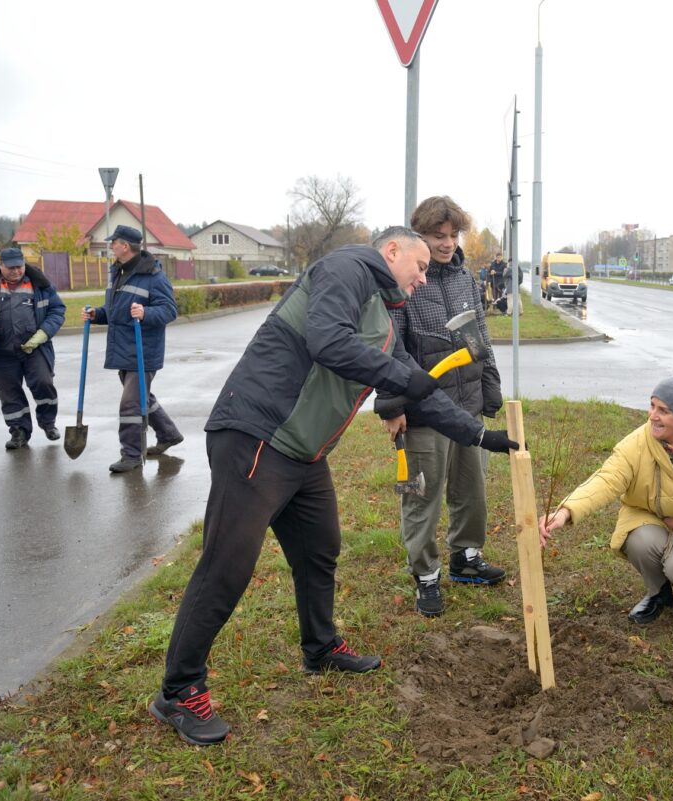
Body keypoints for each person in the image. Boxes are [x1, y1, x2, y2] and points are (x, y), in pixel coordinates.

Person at [150, 227, 518, 746]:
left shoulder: (387, 318)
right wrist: (406, 379)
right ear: (393, 251)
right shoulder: (345, 269)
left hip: (303, 453)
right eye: (418, 266)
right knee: (227, 565)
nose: (423, 277)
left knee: (321, 548)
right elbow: (327, 342)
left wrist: (482, 435)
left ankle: (319, 648)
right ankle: (179, 691)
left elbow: (421, 392)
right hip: (257, 435)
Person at [377, 197, 505, 617]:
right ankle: (425, 576)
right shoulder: (405, 279)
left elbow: (480, 337)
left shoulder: (466, 280)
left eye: (453, 235)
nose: (448, 244)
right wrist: (393, 403)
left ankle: (466, 558)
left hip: (466, 408)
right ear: (420, 237)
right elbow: (389, 346)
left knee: (472, 490)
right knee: (420, 496)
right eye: (438, 236)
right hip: (423, 413)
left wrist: (489, 387)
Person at [539, 376, 673, 624]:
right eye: (652, 406)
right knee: (638, 539)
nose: (652, 415)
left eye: (663, 410)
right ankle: (658, 593)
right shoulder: (638, 444)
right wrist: (565, 512)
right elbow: (606, 480)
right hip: (655, 519)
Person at [81, 225, 183, 473]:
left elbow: (169, 310)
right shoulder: (119, 273)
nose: (111, 246)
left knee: (130, 405)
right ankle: (168, 434)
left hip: (143, 351)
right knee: (141, 398)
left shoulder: (154, 276)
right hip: (124, 349)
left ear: (124, 246)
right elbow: (118, 311)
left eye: (113, 242)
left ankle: (131, 455)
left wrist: (146, 312)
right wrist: (97, 314)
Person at [0, 247, 66, 449]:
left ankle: (48, 424)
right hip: (2, 351)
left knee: (44, 383)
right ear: (0, 265)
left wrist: (43, 334)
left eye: (19, 267)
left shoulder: (40, 284)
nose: (16, 271)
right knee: (8, 391)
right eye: (10, 268)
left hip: (34, 348)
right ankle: (19, 431)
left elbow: (57, 310)